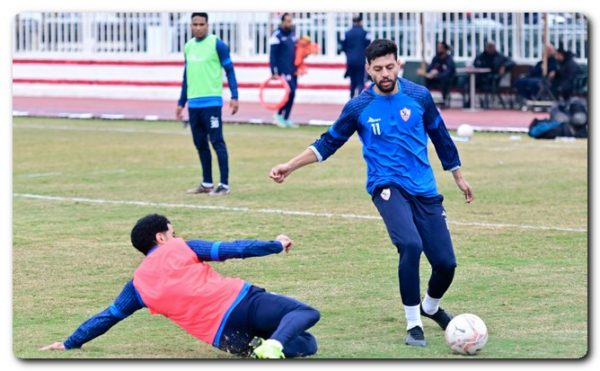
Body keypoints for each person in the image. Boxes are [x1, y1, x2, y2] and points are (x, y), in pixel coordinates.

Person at [269, 39, 474, 348]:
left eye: (389, 67)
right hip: (386, 186)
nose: (385, 74)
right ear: (368, 69)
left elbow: (441, 136)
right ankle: (413, 323)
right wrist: (290, 164)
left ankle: (429, 307)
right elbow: (328, 142)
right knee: (410, 243)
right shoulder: (359, 106)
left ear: (399, 65)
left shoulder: (419, 96)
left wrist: (457, 175)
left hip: (424, 188)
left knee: (446, 264)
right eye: (378, 69)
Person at [40, 214, 320, 359]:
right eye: (172, 231)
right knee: (305, 314)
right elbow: (236, 249)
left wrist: (70, 342)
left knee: (308, 342)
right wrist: (276, 244)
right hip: (240, 303)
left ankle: (266, 346)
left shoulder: (136, 287)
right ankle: (271, 344)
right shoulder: (181, 247)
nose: (177, 235)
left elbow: (108, 317)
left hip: (223, 336)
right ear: (161, 237)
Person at [176, 12, 238, 196]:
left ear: (207, 25)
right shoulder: (188, 46)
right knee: (200, 144)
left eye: (201, 24)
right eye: (194, 24)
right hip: (193, 105)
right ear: (190, 25)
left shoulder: (217, 44)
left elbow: (230, 71)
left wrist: (235, 96)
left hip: (211, 104)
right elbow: (186, 77)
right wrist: (181, 102)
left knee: (217, 142)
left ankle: (224, 185)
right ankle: (207, 183)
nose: (198, 27)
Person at [269, 13, 298, 128]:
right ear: (282, 22)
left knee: (293, 93)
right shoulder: (276, 36)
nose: (289, 23)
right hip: (283, 70)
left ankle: (286, 118)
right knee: (290, 92)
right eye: (287, 21)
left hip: (293, 70)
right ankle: (278, 114)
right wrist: (273, 71)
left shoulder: (293, 34)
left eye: (291, 21)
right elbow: (272, 55)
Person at [471, 41, 515, 108]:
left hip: (493, 78)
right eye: (489, 47)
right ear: (486, 48)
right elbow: (475, 64)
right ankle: (469, 103)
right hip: (480, 77)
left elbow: (512, 63)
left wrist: (504, 66)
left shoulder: (500, 56)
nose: (491, 48)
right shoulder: (481, 56)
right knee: (469, 82)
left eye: (492, 47)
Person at [341, 14, 371, 98]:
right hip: (361, 60)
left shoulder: (347, 33)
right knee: (360, 80)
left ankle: (351, 97)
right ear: (361, 22)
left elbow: (343, 46)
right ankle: (360, 98)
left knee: (352, 80)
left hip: (350, 60)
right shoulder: (365, 33)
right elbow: (368, 46)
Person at [421, 41, 456, 107]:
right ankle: (426, 100)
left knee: (445, 80)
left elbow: (448, 72)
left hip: (446, 79)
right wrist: (432, 71)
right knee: (427, 80)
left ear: (445, 49)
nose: (439, 49)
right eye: (438, 47)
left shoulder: (449, 59)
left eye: (440, 48)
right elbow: (429, 68)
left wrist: (437, 75)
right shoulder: (435, 58)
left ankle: (444, 101)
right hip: (434, 78)